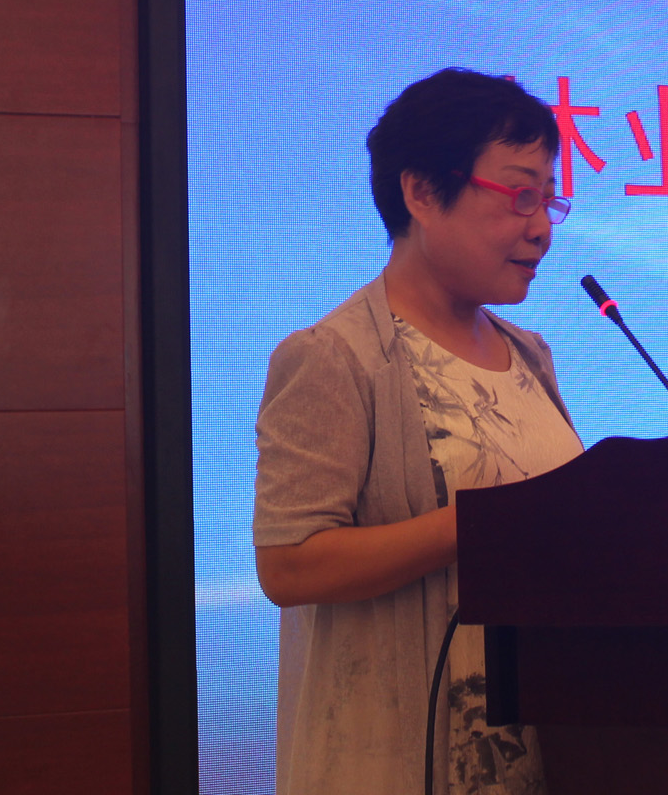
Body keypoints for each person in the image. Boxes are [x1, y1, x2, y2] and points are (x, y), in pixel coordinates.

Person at [253, 68, 582, 795]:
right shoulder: (335, 356)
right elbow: (289, 565)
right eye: (520, 196)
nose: (542, 227)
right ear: (423, 193)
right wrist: (479, 525)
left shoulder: (530, 354)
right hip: (400, 761)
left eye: (550, 198)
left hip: (539, 750)